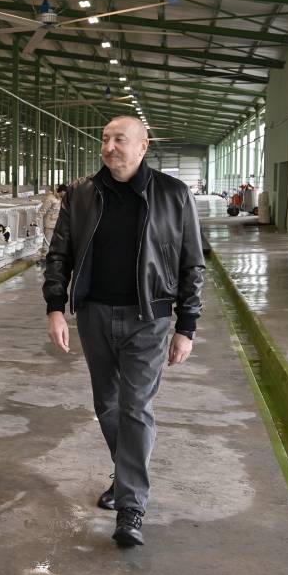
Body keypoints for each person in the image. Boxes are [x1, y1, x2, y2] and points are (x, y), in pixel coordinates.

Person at [42, 116, 204, 547]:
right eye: (105, 139)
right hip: (94, 314)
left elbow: (192, 263)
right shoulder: (81, 195)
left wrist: (186, 325)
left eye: (119, 139)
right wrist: (55, 308)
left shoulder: (173, 194)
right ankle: (127, 472)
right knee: (108, 405)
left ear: (142, 146)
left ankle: (131, 507)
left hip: (148, 317)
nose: (109, 146)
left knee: (136, 407)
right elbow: (59, 255)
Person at [36, 184, 68, 260]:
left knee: (56, 241)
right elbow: (42, 210)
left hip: (57, 223)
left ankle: (52, 257)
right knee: (47, 241)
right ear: (62, 191)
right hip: (49, 224)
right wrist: (36, 221)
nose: (66, 195)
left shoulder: (61, 199)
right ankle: (44, 257)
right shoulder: (50, 198)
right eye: (65, 193)